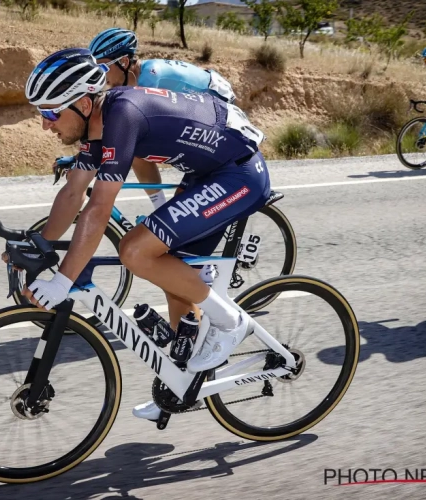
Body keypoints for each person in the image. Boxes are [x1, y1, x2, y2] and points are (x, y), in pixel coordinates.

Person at [22, 48, 269, 421]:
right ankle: (182, 383)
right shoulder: (97, 125)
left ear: (85, 103)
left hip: (239, 175)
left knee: (135, 251)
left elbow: (99, 207)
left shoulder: (122, 116)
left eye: (52, 113)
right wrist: (37, 242)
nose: (45, 125)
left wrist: (62, 280)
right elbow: (73, 193)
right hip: (207, 174)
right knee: (176, 278)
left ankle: (231, 324)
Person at [50, 28, 237, 218]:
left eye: (103, 67)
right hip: (201, 108)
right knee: (138, 151)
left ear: (123, 62)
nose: (99, 75)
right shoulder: (133, 79)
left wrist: (84, 159)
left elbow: (123, 132)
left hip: (220, 110)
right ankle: (161, 209)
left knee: (137, 148)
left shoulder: (150, 78)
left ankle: (162, 211)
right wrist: (83, 157)